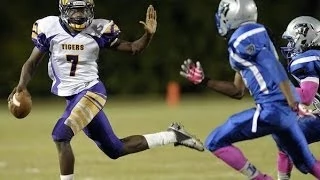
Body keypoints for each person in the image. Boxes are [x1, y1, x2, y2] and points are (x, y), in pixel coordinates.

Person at [7, 1, 204, 180]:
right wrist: (22, 85)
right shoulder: (49, 28)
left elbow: (133, 48)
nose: (79, 14)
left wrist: (148, 35)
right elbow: (31, 63)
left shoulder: (98, 29)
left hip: (91, 92)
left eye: (83, 9)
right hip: (73, 98)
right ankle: (174, 135)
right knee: (115, 149)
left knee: (60, 135)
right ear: (63, 10)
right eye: (74, 10)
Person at [180, 0, 320, 179]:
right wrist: (204, 81)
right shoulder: (254, 35)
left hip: (271, 110)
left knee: (214, 141)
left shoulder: (243, 38)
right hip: (283, 111)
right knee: (306, 163)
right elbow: (237, 90)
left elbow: (270, 63)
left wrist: (293, 100)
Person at [273, 16, 320, 180]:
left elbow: (306, 96)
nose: (289, 46)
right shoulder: (315, 56)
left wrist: (277, 91)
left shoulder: (307, 59)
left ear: (303, 37)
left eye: (291, 40)